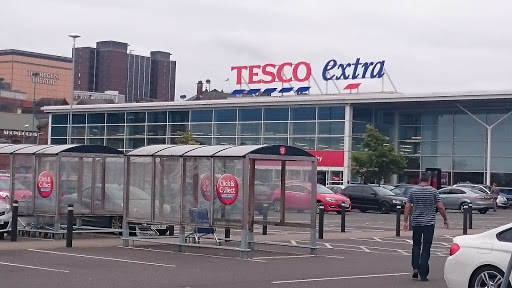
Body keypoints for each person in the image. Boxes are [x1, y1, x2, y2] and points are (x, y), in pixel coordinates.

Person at [403, 172, 449, 281]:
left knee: (416, 245)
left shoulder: (413, 191)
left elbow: (408, 206)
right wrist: (445, 219)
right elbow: (440, 207)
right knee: (426, 247)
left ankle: (415, 267)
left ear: (420, 180)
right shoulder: (433, 191)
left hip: (416, 222)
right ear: (428, 180)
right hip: (429, 223)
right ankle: (423, 273)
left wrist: (405, 221)